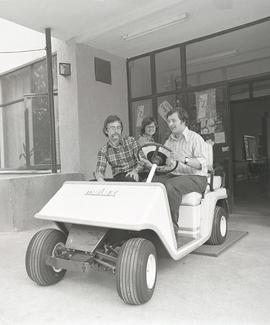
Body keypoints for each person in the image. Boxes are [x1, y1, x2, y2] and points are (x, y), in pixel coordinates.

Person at [152, 108, 208, 235]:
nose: (170, 124)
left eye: (173, 120)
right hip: (175, 175)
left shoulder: (195, 138)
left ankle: (171, 228)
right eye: (168, 121)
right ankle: (153, 223)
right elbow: (163, 159)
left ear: (183, 121)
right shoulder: (169, 140)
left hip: (197, 177)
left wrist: (184, 159)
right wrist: (155, 163)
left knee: (170, 186)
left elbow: (201, 164)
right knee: (149, 183)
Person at [95, 115, 145, 182]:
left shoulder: (131, 141)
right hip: (118, 178)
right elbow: (100, 170)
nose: (116, 131)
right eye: (113, 128)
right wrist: (100, 179)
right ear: (106, 131)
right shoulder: (103, 150)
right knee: (92, 183)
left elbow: (142, 161)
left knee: (130, 179)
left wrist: (135, 171)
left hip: (134, 175)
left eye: (118, 128)